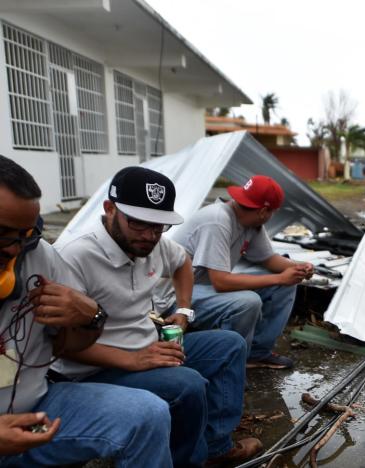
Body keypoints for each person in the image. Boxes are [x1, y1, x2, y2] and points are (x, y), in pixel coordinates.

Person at [52, 166, 261, 467]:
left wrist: (184, 310)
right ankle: (185, 460)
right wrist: (133, 360)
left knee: (229, 345)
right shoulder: (73, 257)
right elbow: (61, 344)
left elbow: (182, 262)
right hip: (94, 371)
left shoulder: (152, 244)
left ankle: (216, 446)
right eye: (138, 223)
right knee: (187, 384)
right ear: (110, 209)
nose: (150, 236)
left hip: (147, 350)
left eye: (159, 226)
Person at [0, 156, 173, 467]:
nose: (13, 249)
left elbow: (66, 345)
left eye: (25, 235)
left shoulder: (40, 256)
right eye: (2, 232)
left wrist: (91, 316)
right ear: (109, 210)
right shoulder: (79, 251)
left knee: (148, 413)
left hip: (39, 408)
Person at [170, 175, 313, 370]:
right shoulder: (218, 220)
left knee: (285, 284)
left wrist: (298, 267)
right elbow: (221, 282)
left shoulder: (250, 223)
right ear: (264, 211)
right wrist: (280, 277)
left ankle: (255, 353)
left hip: (204, 287)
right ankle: (228, 363)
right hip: (177, 294)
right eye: (272, 212)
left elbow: (268, 259)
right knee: (248, 302)